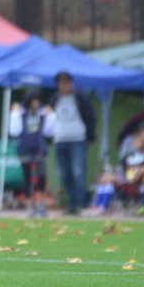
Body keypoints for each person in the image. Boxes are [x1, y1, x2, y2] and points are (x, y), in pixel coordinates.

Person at [50, 71, 96, 215]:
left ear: (71, 83)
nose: (64, 86)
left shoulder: (80, 98)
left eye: (67, 82)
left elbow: (90, 117)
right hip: (60, 140)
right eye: (61, 83)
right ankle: (72, 202)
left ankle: (80, 204)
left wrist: (89, 137)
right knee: (64, 174)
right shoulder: (54, 100)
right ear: (58, 85)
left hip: (77, 139)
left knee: (78, 173)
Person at [9, 91, 55, 217]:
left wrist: (51, 116)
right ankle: (30, 206)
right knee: (28, 179)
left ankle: (41, 205)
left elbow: (49, 132)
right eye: (34, 101)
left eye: (38, 100)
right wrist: (13, 114)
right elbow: (14, 131)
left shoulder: (42, 114)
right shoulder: (21, 114)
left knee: (42, 177)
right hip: (25, 150)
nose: (36, 103)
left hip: (40, 150)